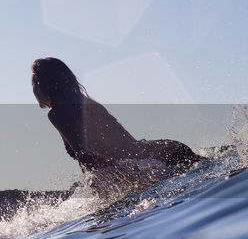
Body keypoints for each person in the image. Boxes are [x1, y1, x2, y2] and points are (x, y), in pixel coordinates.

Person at [31, 57, 202, 174]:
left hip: (149, 162)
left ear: (40, 85)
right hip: (162, 149)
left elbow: (86, 157)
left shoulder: (58, 113)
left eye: (32, 82)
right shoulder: (87, 103)